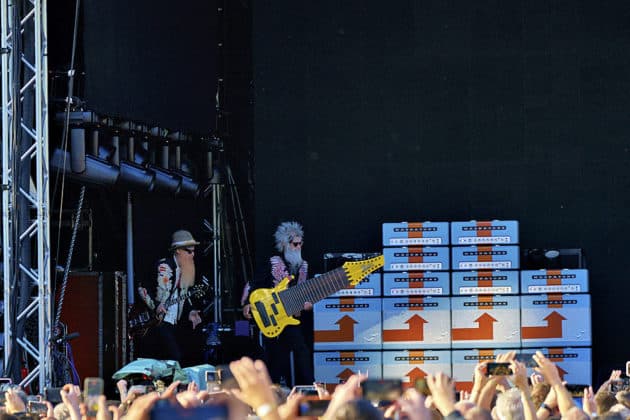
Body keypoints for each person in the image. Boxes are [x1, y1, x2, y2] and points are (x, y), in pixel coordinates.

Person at [243, 221, 314, 387]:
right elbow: (255, 283)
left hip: (290, 317)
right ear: (284, 244)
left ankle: (311, 387)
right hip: (272, 316)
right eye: (295, 243)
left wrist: (307, 305)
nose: (299, 247)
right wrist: (247, 303)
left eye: (300, 243)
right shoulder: (273, 262)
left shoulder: (303, 266)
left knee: (301, 350)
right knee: (276, 356)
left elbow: (306, 293)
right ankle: (273, 391)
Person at [137, 229, 204, 365]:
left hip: (173, 322)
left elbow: (182, 297)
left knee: (178, 357)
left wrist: (190, 311)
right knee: (174, 357)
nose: (193, 255)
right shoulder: (164, 266)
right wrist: (156, 305)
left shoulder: (186, 271)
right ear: (178, 250)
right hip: (156, 321)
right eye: (189, 251)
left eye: (194, 251)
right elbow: (142, 288)